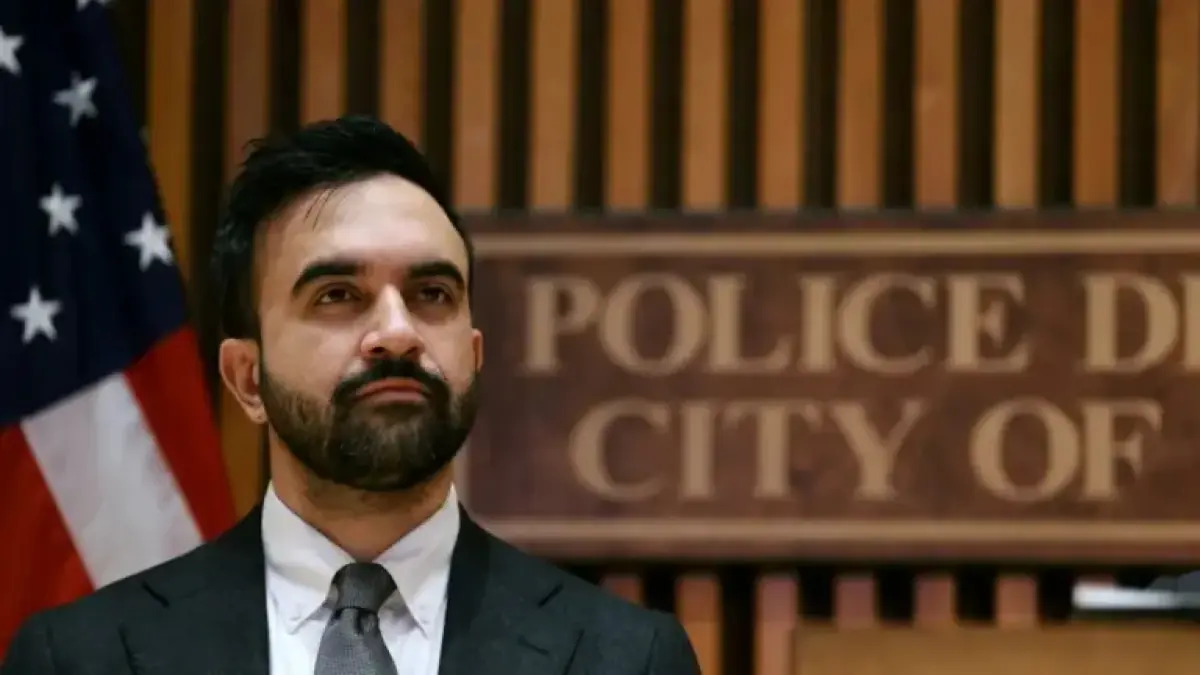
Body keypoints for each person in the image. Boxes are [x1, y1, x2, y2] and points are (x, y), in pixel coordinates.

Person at [1, 115, 701, 675]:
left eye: (432, 293)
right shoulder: (81, 657)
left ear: (475, 355)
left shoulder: (627, 658)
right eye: (337, 295)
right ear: (248, 378)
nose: (397, 333)